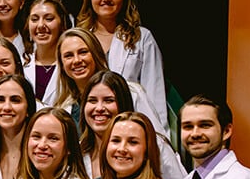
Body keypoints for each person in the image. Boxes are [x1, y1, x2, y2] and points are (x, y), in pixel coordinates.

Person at [56, 29, 178, 169]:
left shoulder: (130, 92)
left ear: (96, 54)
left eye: (83, 52)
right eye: (68, 56)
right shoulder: (65, 110)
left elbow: (158, 143)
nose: (77, 60)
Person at [77, 0, 167, 132]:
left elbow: (154, 91)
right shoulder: (79, 37)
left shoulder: (141, 37)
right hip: (90, 122)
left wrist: (159, 133)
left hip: (130, 122)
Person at [25, 0, 71, 106]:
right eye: (34, 19)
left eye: (49, 19)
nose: (41, 25)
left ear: (62, 24)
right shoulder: (19, 64)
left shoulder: (71, 64)